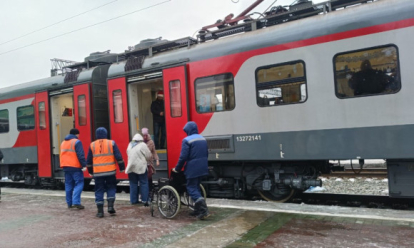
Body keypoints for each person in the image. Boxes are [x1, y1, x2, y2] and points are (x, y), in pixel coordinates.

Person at [172, 121, 210, 220]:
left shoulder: (187, 140)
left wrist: (177, 168)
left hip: (193, 168)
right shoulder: (203, 139)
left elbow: (183, 157)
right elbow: (206, 153)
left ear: (188, 130)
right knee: (196, 187)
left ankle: (203, 210)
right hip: (203, 167)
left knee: (191, 188)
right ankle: (197, 210)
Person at [86, 127, 125, 218]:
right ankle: (110, 206)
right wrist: (121, 168)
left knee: (99, 190)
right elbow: (118, 156)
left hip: (98, 173)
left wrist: (90, 171)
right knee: (111, 187)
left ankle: (100, 212)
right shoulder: (111, 143)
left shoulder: (92, 145)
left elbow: (88, 161)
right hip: (110, 171)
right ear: (105, 134)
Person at [60, 128, 86, 209]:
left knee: (68, 185)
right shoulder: (77, 142)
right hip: (75, 167)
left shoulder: (63, 142)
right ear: (76, 134)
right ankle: (76, 202)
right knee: (79, 183)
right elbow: (80, 155)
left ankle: (69, 203)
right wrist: (84, 165)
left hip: (66, 167)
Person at [126, 133, 152, 206]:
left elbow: (128, 153)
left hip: (131, 167)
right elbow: (148, 155)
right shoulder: (142, 145)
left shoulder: (130, 144)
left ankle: (133, 200)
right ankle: (145, 200)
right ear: (141, 139)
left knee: (133, 183)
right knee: (143, 183)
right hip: (141, 167)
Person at [142, 127, 159, 196]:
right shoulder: (140, 142)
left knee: (149, 178)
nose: (145, 137)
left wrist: (157, 160)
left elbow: (154, 152)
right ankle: (145, 193)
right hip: (142, 163)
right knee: (144, 179)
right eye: (143, 135)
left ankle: (150, 192)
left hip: (149, 162)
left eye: (146, 135)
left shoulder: (151, 142)